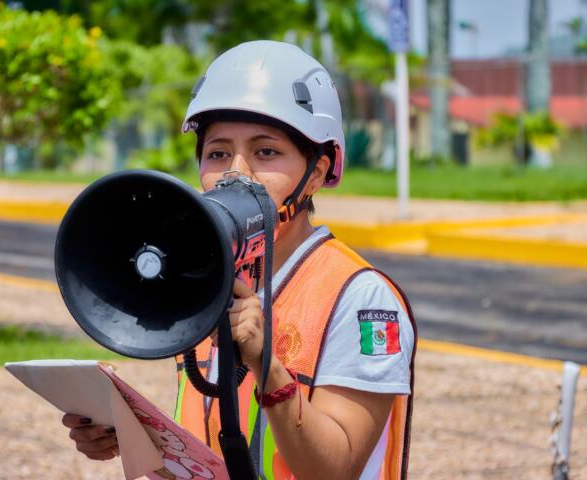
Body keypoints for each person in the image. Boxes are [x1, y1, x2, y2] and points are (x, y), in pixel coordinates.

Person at [62, 40, 417, 480]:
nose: (236, 172)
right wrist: (130, 437)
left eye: (266, 152)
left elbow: (335, 470)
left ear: (318, 171)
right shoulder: (208, 275)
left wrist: (265, 365)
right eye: (217, 153)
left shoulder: (360, 298)